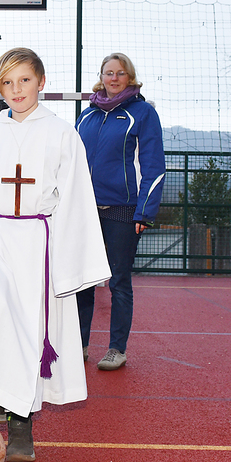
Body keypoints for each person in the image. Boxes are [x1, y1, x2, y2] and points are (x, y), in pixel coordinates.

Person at [0, 47, 110, 462]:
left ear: (42, 82)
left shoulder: (60, 134)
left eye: (25, 80)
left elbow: (75, 200)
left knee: (28, 328)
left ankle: (21, 424)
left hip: (36, 242)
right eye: (7, 82)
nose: (16, 89)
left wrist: (69, 262)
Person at [74, 53, 165, 371]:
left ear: (130, 77)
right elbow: (70, 164)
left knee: (119, 281)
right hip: (84, 210)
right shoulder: (87, 115)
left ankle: (116, 349)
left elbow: (154, 165)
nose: (114, 78)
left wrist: (144, 212)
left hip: (124, 211)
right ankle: (79, 344)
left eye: (120, 73)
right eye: (108, 73)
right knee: (82, 281)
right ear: (101, 76)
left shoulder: (143, 113)